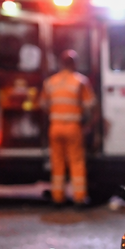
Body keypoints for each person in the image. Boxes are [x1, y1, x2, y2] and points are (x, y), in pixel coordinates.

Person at [41, 50, 96, 206]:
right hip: (73, 127)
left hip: (55, 127)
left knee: (57, 162)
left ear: (61, 63)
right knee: (76, 161)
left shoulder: (50, 82)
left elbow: (43, 104)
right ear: (74, 64)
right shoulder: (80, 81)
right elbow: (90, 104)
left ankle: (58, 197)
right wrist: (88, 123)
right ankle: (79, 197)